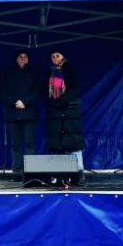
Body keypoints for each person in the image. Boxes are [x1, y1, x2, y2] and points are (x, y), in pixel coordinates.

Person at [44, 48, 85, 182]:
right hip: (55, 111)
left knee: (74, 142)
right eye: (53, 56)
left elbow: (76, 89)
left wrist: (62, 99)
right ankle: (59, 174)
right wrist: (52, 101)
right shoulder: (49, 73)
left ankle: (79, 172)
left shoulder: (70, 70)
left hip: (69, 111)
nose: (55, 58)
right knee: (58, 144)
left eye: (58, 55)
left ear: (63, 57)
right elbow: (44, 91)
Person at [1, 49, 39, 181]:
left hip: (29, 113)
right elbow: (3, 91)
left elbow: (36, 91)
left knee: (29, 143)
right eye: (20, 57)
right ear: (16, 59)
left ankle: (31, 172)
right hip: (13, 113)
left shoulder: (34, 73)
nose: (22, 59)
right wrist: (15, 101)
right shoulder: (8, 73)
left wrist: (25, 102)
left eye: (25, 57)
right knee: (15, 144)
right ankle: (16, 171)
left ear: (28, 59)